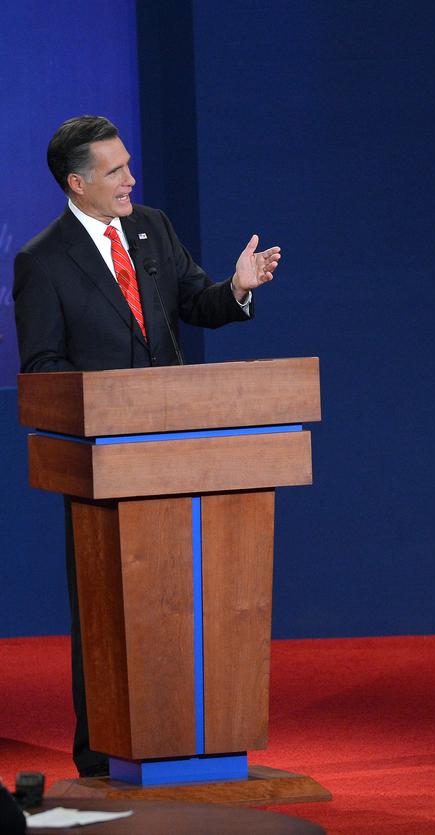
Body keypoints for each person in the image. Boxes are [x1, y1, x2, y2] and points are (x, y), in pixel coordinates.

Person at [12, 115, 281, 776]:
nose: (131, 178)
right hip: (105, 463)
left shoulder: (152, 227)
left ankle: (192, 744)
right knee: (113, 614)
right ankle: (103, 754)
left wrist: (238, 288)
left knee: (188, 605)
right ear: (77, 183)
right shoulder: (41, 262)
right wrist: (110, 401)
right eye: (115, 170)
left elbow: (195, 302)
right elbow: (42, 368)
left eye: (129, 164)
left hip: (182, 451)